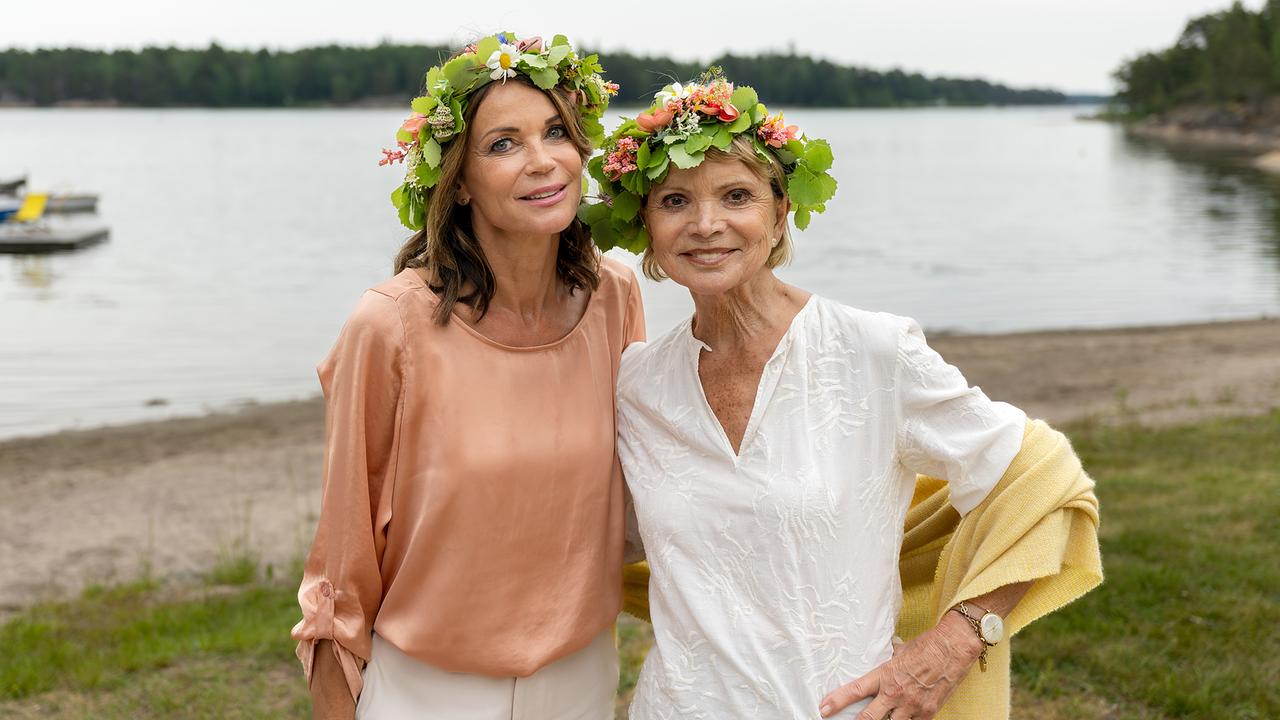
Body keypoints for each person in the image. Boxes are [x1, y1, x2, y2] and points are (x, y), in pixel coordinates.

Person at [590, 71, 1102, 720]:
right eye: (675, 202)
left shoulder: (875, 352)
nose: (706, 224)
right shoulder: (637, 383)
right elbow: (596, 542)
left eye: (736, 196)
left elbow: (1046, 483)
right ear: (647, 227)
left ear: (779, 216)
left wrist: (960, 635)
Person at [291, 33, 644, 720]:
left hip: (582, 676)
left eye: (555, 133)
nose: (543, 162)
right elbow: (343, 554)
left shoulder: (615, 299)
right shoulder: (389, 326)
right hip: (428, 689)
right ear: (458, 184)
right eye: (503, 144)